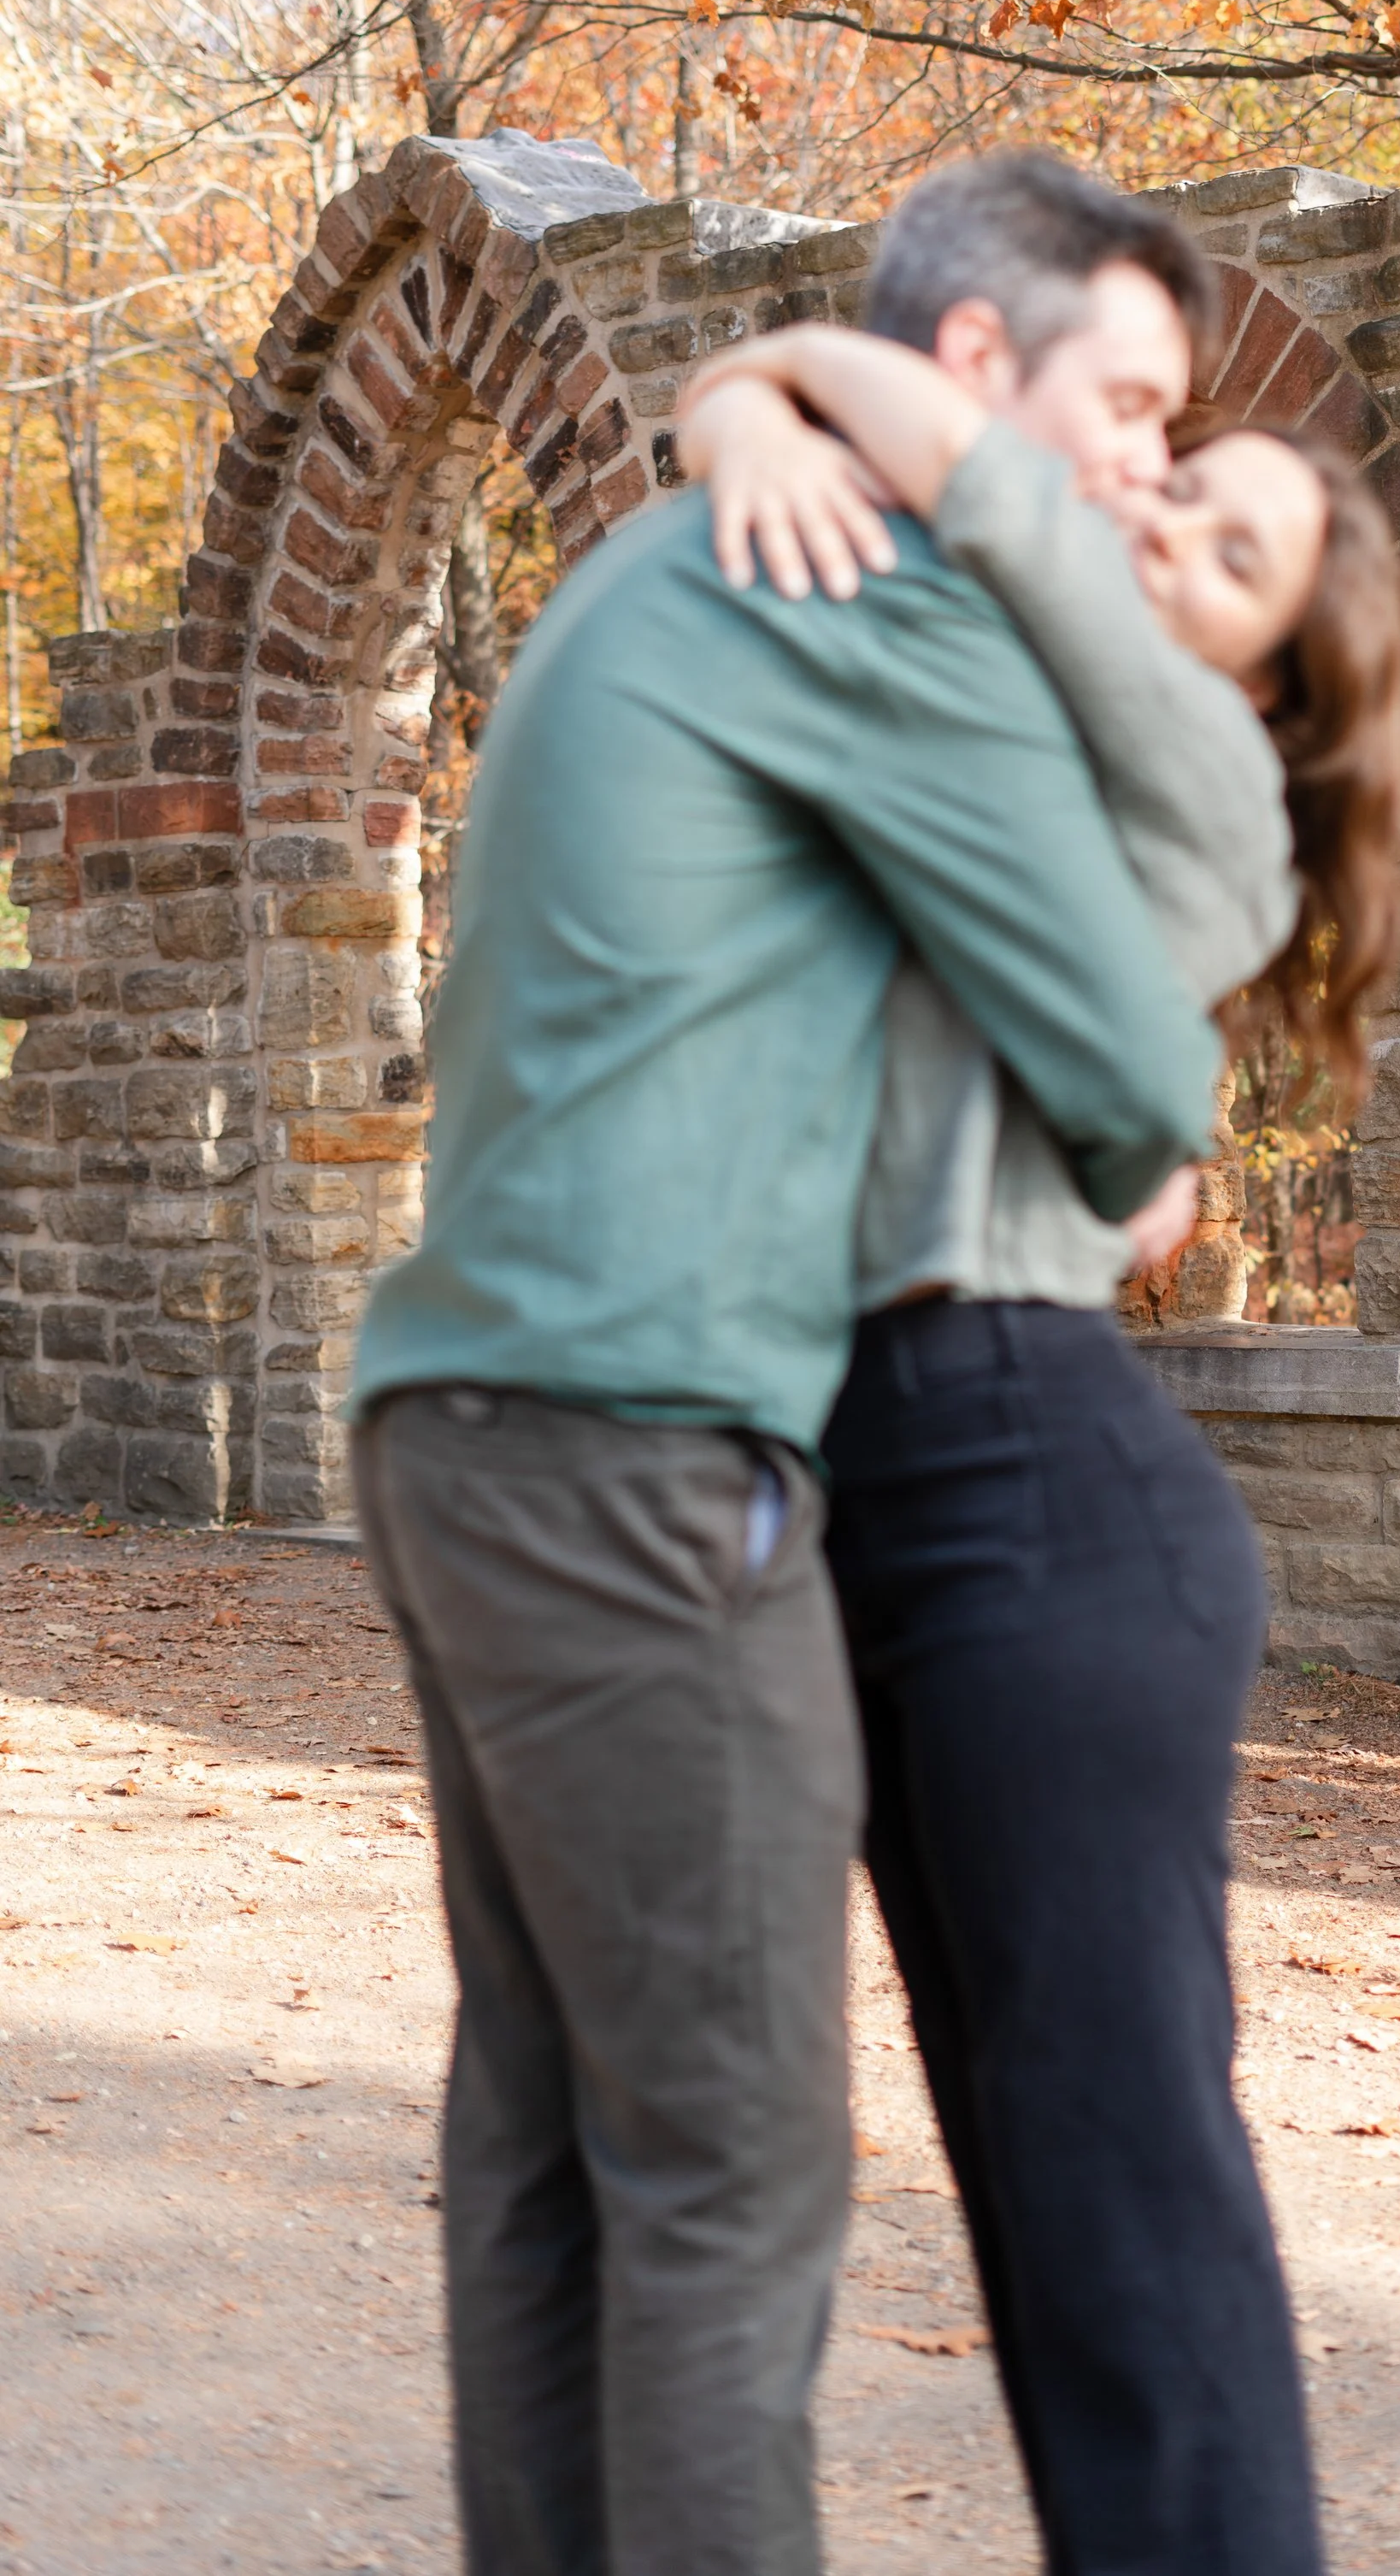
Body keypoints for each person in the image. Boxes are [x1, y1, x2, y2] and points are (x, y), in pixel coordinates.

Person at [343, 163, 1230, 2576]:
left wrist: (741, 394)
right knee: (730, 2164)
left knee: (551, 2149)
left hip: (456, 1423)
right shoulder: (876, 584)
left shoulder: (675, 551)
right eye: (1123, 403)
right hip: (645, 1450)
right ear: (965, 374)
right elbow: (1144, 1068)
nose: (1146, 462)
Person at [674, 239, 1400, 2576]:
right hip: (879, 1474)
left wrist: (772, 367)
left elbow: (995, 499)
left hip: (1034, 1486)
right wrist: (736, 442)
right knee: (1027, 2201)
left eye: (1227, 555)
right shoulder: (1004, 719)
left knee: (1123, 2207)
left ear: (1273, 682)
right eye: (1177, 482)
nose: (1161, 527)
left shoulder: (1200, 768)